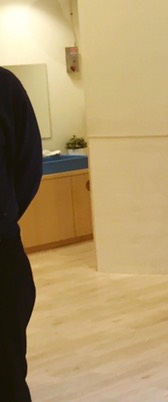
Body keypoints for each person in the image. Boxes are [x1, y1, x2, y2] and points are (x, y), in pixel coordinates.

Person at [0, 67, 43, 401]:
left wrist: (4, 216)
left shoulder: (4, 88)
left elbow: (27, 166)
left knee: (7, 372)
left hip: (2, 255)